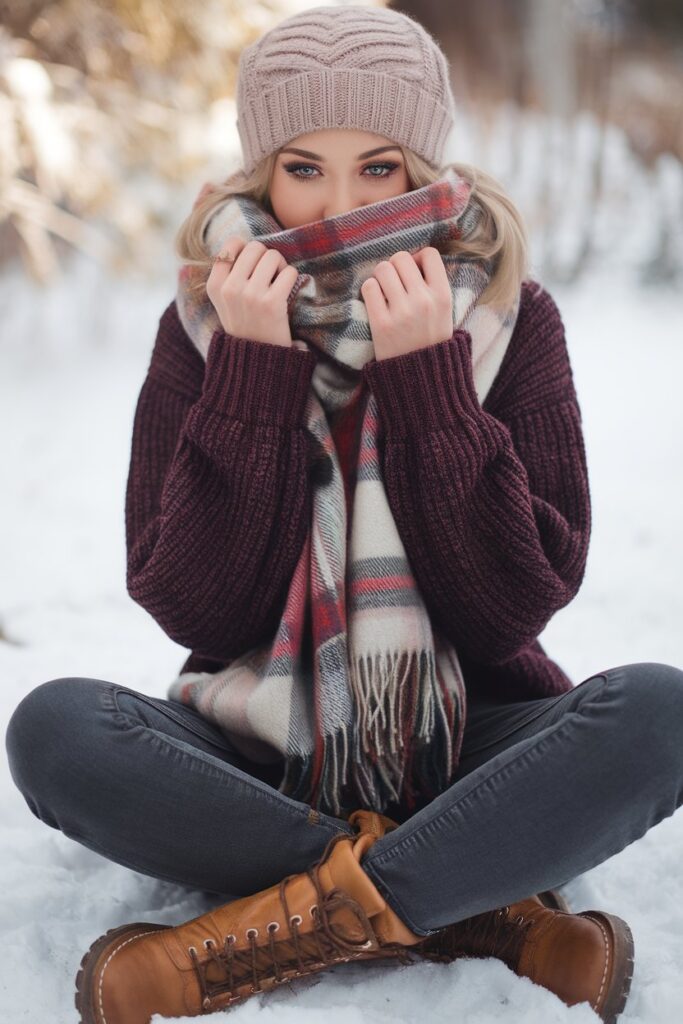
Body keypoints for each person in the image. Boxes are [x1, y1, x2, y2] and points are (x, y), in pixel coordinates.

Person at [5, 6, 683, 1024]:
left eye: (375, 168)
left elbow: (511, 608)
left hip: (464, 743)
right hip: (255, 749)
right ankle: (466, 905)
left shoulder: (507, 317)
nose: (336, 202)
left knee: (659, 714)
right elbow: (203, 613)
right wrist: (250, 370)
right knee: (56, 730)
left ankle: (279, 923)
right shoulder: (202, 326)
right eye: (301, 167)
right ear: (257, 174)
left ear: (421, 167)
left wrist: (427, 386)